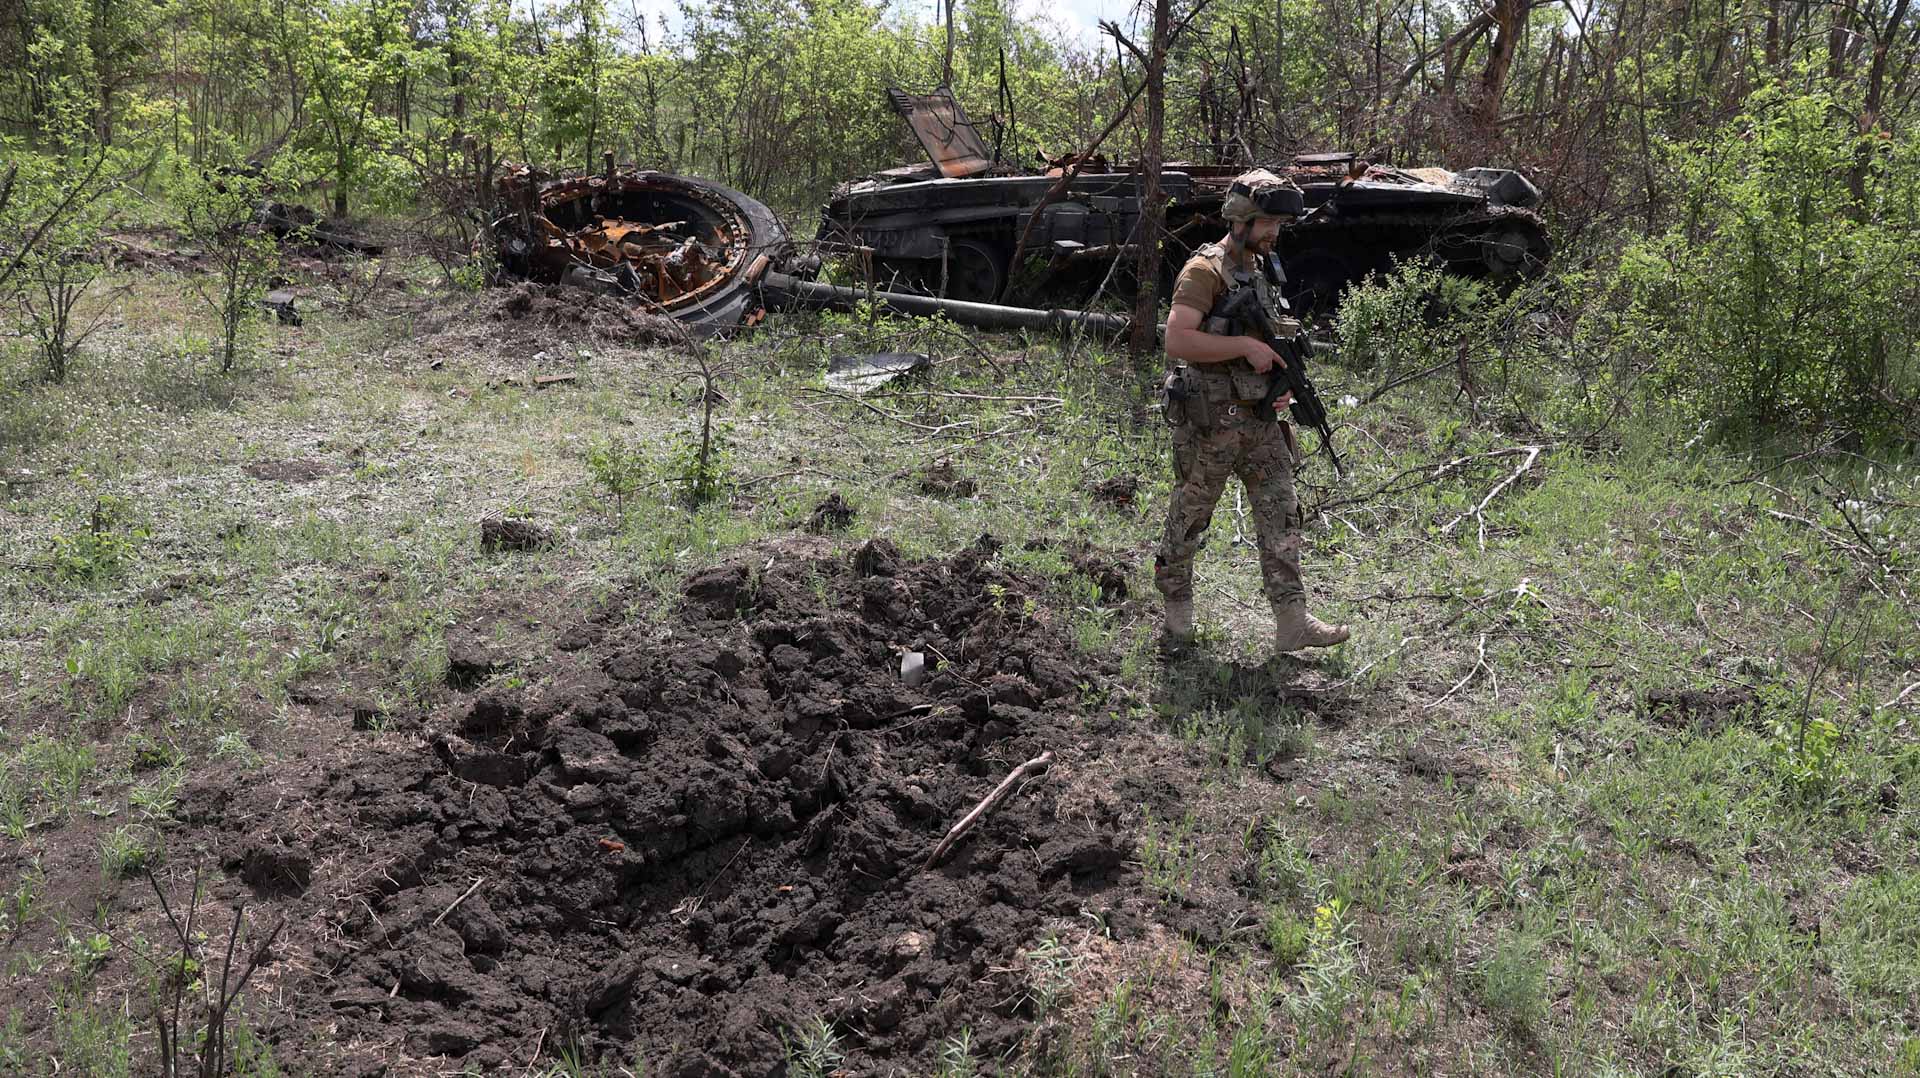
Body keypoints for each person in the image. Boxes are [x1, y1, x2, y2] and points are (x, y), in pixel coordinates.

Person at [1153, 168, 1350, 654]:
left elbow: (1266, 344)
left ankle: (1292, 622)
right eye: (1268, 223)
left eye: (1279, 225)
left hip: (1259, 421)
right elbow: (1177, 339)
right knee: (1190, 518)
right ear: (1241, 219)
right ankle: (1176, 622)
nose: (1275, 232)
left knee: (1282, 516)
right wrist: (1243, 344)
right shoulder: (1203, 270)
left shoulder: (1262, 270)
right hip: (1210, 421)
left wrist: (1277, 389)